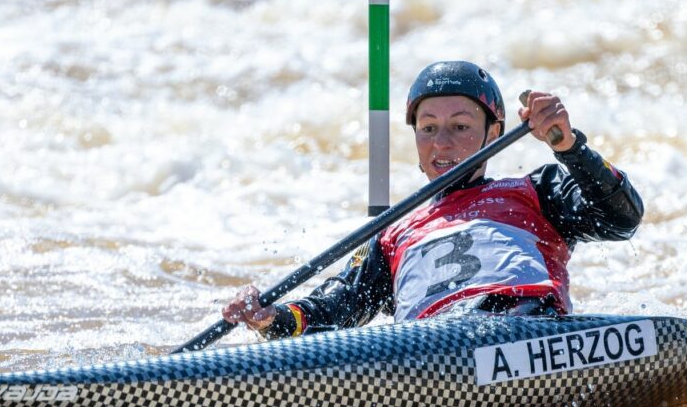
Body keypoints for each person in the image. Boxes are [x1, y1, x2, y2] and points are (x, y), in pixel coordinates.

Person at [222, 60, 644, 338]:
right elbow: (335, 309)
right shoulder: (390, 232)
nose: (441, 143)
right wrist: (272, 317)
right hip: (428, 351)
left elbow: (622, 218)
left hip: (526, 330)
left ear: (492, 135)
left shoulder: (538, 190)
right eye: (428, 128)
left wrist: (569, 147)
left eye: (460, 127)